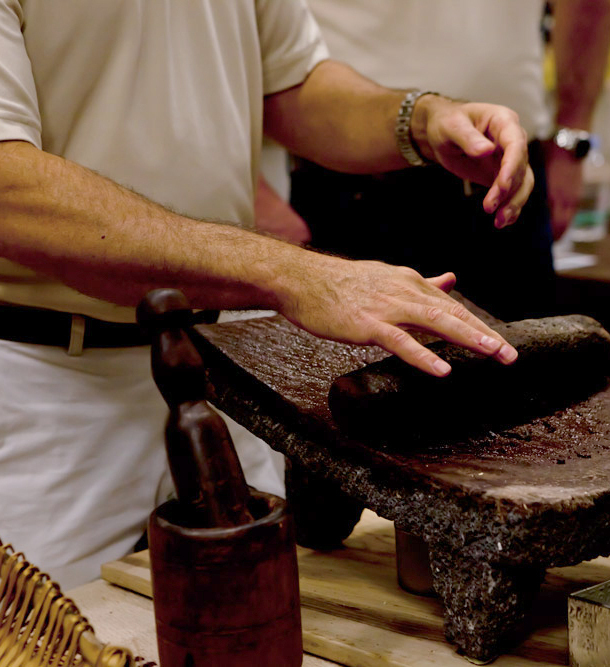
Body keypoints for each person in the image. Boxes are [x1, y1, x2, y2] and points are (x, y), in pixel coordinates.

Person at [0, 0, 532, 588]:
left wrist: (419, 120)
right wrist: (290, 274)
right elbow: (10, 191)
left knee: (266, 629)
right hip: (47, 389)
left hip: (220, 365)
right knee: (50, 641)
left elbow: (292, 84)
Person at [289, 0, 610, 320]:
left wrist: (571, 139)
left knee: (525, 362)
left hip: (504, 174)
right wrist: (257, 194)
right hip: (347, 187)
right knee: (355, 369)